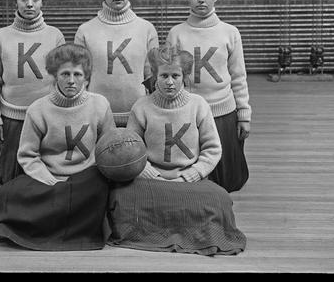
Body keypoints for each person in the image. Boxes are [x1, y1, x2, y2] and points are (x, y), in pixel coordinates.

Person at [106, 44, 247, 256]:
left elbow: (212, 149)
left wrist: (192, 174)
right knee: (120, 197)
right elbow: (132, 149)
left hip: (189, 180)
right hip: (150, 179)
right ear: (154, 76)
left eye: (175, 75)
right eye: (164, 76)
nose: (170, 82)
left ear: (184, 77)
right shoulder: (141, 106)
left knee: (220, 200)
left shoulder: (198, 105)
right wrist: (149, 173)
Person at [0, 43, 116, 251]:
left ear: (87, 77)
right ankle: (62, 213)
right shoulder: (38, 109)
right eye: (65, 74)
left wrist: (92, 171)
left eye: (77, 74)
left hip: (86, 177)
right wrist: (50, 180)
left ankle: (62, 223)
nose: (71, 81)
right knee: (8, 194)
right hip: (49, 175)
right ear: (54, 76)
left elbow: (108, 148)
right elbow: (27, 155)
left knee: (97, 190)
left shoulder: (100, 105)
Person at [166, 0, 251, 193]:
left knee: (227, 178)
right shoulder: (176, 33)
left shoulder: (230, 33)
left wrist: (243, 114)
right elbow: (170, 77)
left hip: (223, 111)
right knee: (194, 176)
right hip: (189, 112)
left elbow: (238, 76)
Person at [0, 0, 65, 184]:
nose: (29, 4)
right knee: (11, 176)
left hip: (46, 117)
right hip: (13, 117)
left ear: (42, 1)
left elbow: (62, 79)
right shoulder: (1, 36)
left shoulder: (54, 35)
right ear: (15, 1)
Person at [74, 0, 159, 127]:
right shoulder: (85, 30)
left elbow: (152, 79)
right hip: (97, 118)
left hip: (138, 118)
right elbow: (80, 79)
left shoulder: (147, 29)